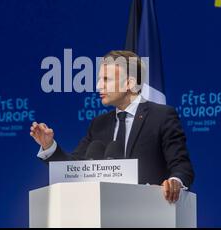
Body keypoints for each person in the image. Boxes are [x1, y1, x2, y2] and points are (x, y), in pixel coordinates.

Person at [30, 50, 194, 202]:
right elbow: (74, 169)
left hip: (149, 210)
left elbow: (181, 165)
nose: (98, 86)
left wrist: (174, 182)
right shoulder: (99, 124)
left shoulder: (161, 116)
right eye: (99, 79)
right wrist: (49, 146)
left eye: (106, 79)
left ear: (129, 83)